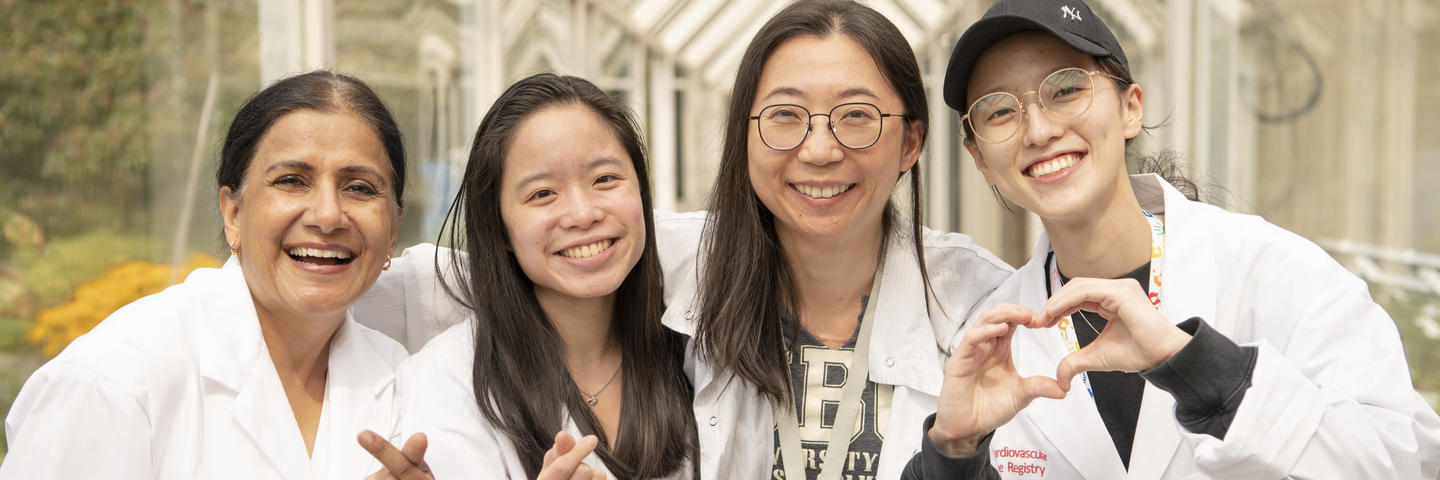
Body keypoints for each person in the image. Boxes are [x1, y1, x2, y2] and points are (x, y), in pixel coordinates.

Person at [903, 0, 1440, 478]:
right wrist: (954, 455)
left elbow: (1407, 461)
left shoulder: (1278, 272)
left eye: (1065, 88)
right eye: (999, 111)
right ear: (980, 160)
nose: (1038, 130)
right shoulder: (985, 338)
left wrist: (1207, 372)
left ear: (1130, 107)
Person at [657, 1, 1014, 477]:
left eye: (856, 116)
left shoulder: (981, 299)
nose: (820, 150)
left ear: (910, 143)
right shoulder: (665, 264)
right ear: (742, 133)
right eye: (784, 114)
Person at [1, 71, 412, 478]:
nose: (327, 215)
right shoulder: (113, 380)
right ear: (233, 214)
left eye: (359, 188)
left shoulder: (399, 379)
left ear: (392, 231)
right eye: (291, 181)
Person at [361, 73, 697, 479]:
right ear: (498, 227)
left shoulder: (703, 352)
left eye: (604, 179)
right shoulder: (449, 383)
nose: (582, 213)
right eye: (542, 193)